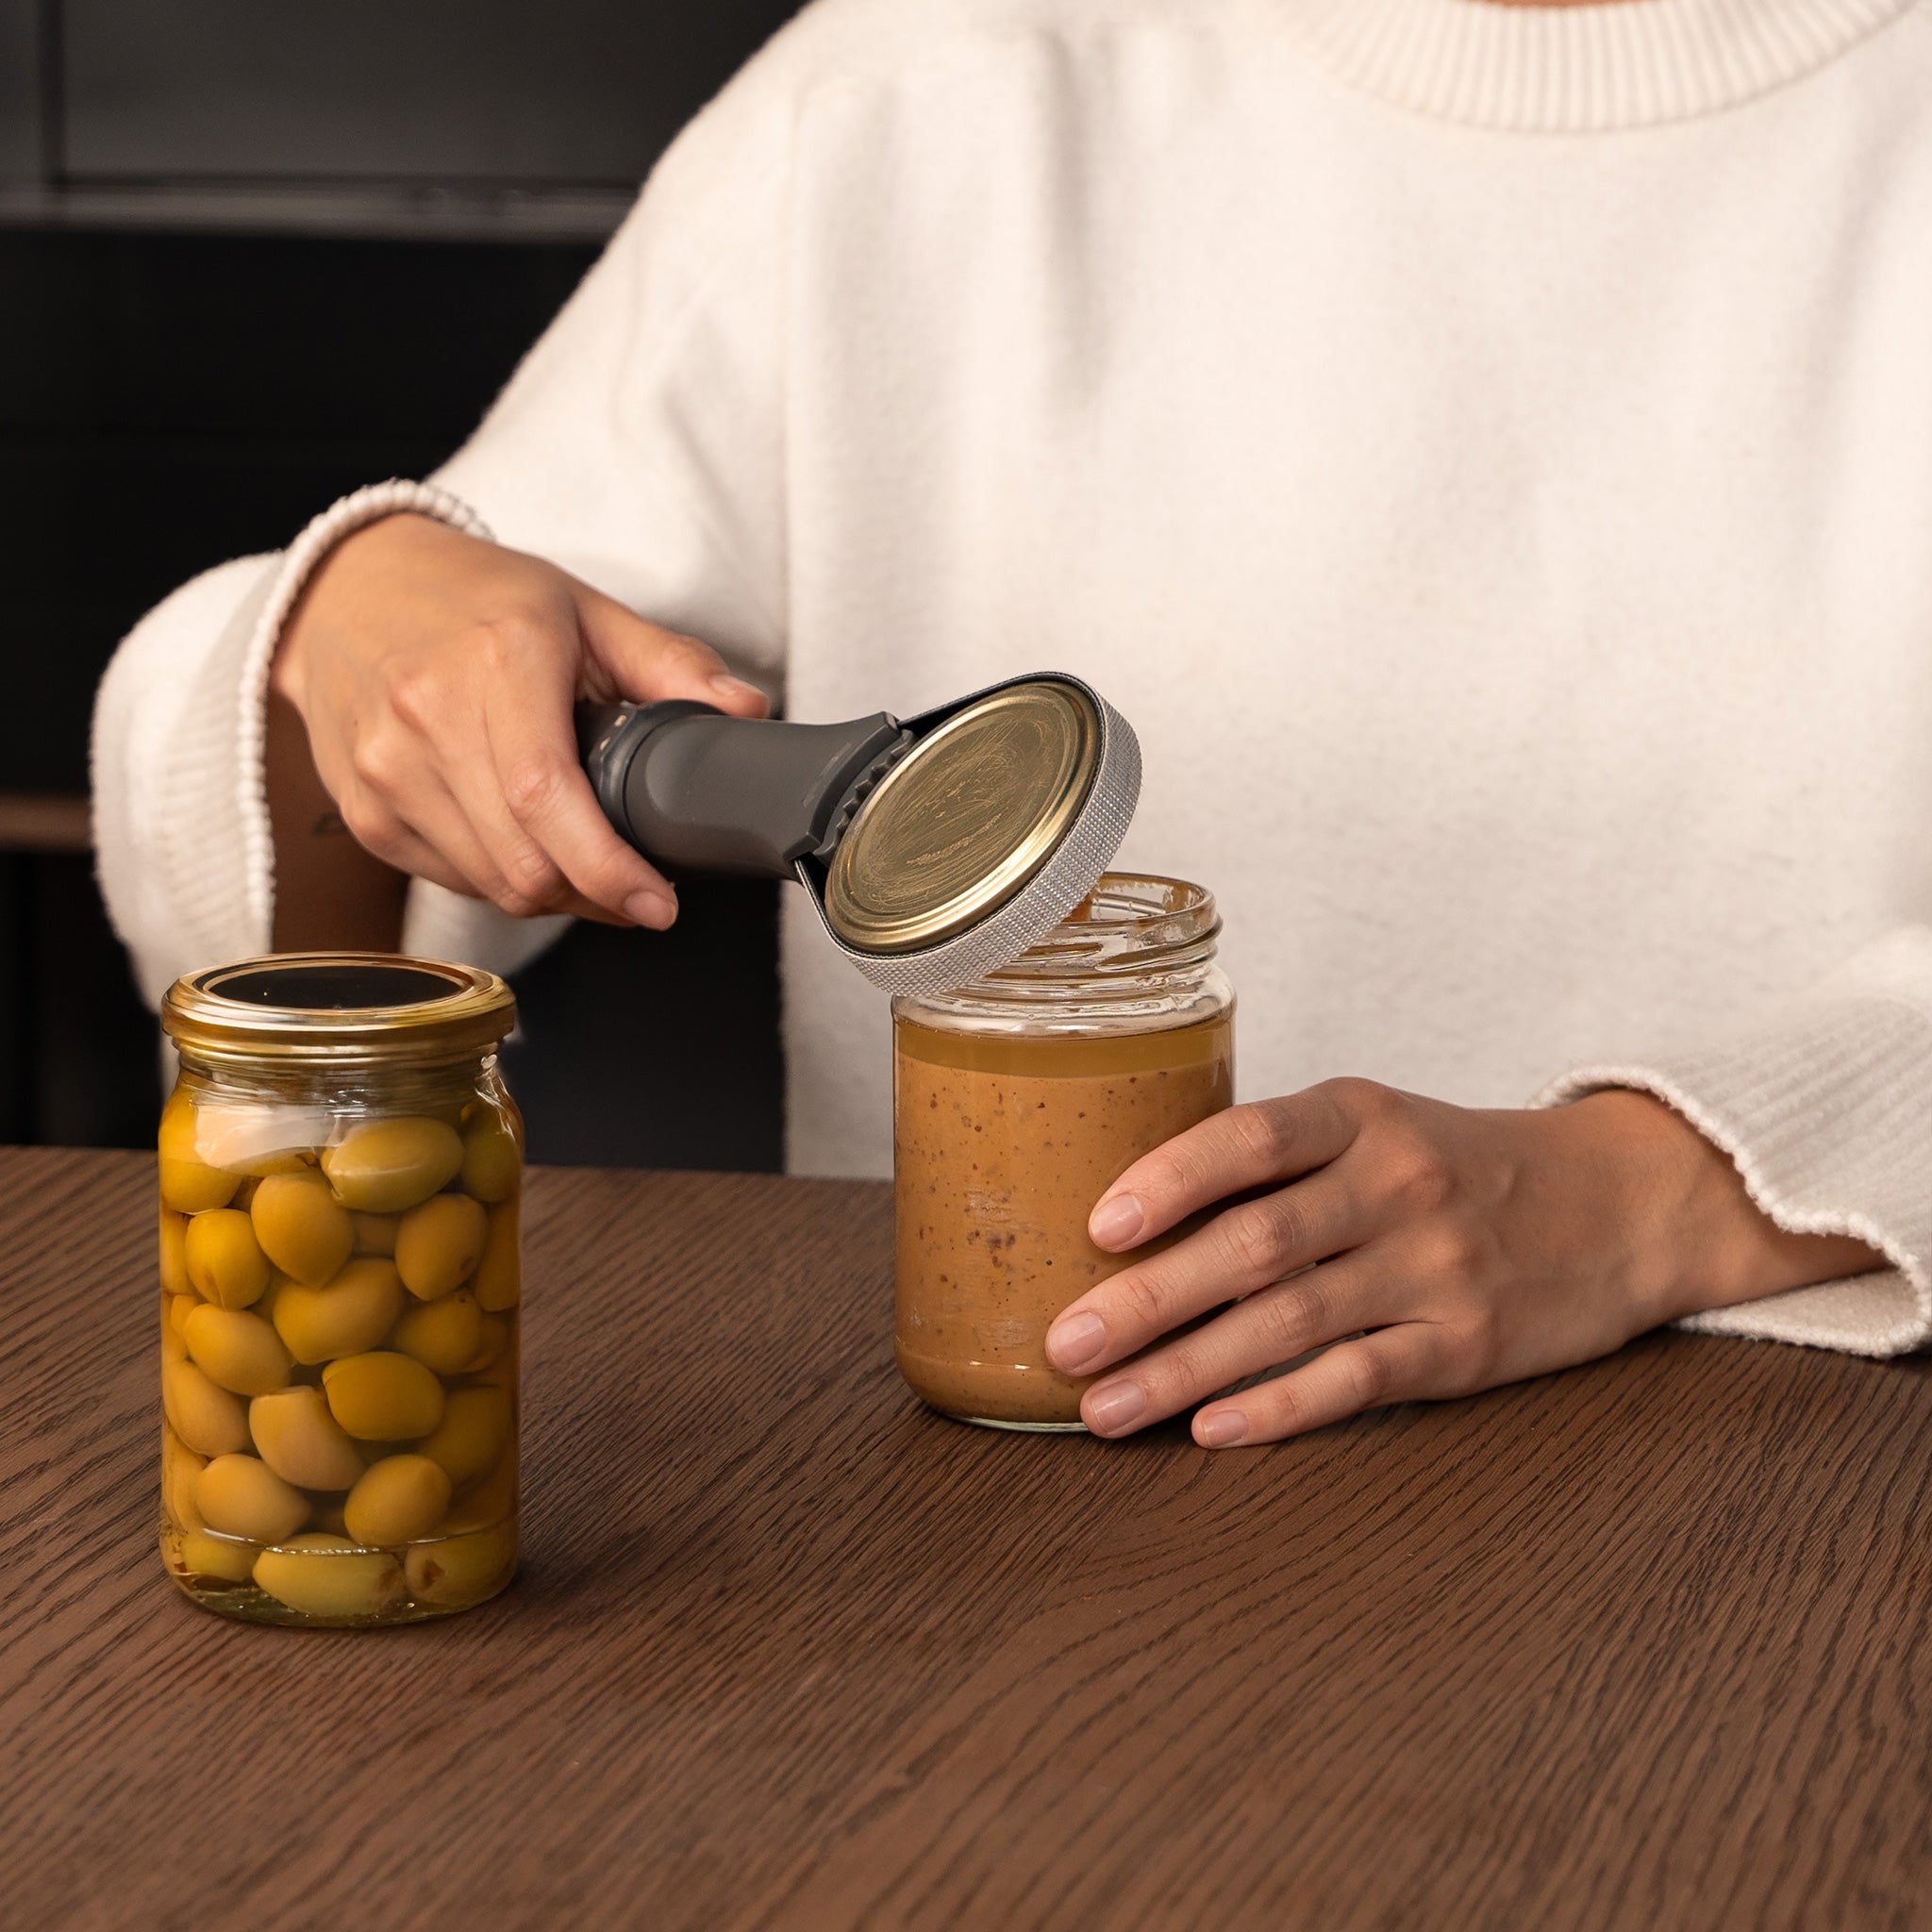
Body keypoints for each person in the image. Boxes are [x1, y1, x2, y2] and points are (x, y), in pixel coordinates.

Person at [95, 0, 1932, 1447]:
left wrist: (1664, 1191)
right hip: (986, 1533)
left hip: (1813, 1519)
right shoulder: (915, 95)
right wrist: (347, 620)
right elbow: (294, 918)